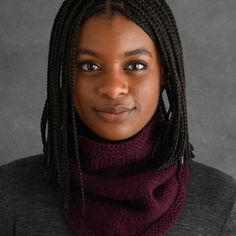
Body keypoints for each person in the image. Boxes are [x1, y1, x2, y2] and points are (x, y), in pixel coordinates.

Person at [0, 0, 235, 235]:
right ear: (65, 73)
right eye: (89, 66)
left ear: (164, 72)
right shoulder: (8, 194)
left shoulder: (223, 202)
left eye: (135, 65)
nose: (113, 89)